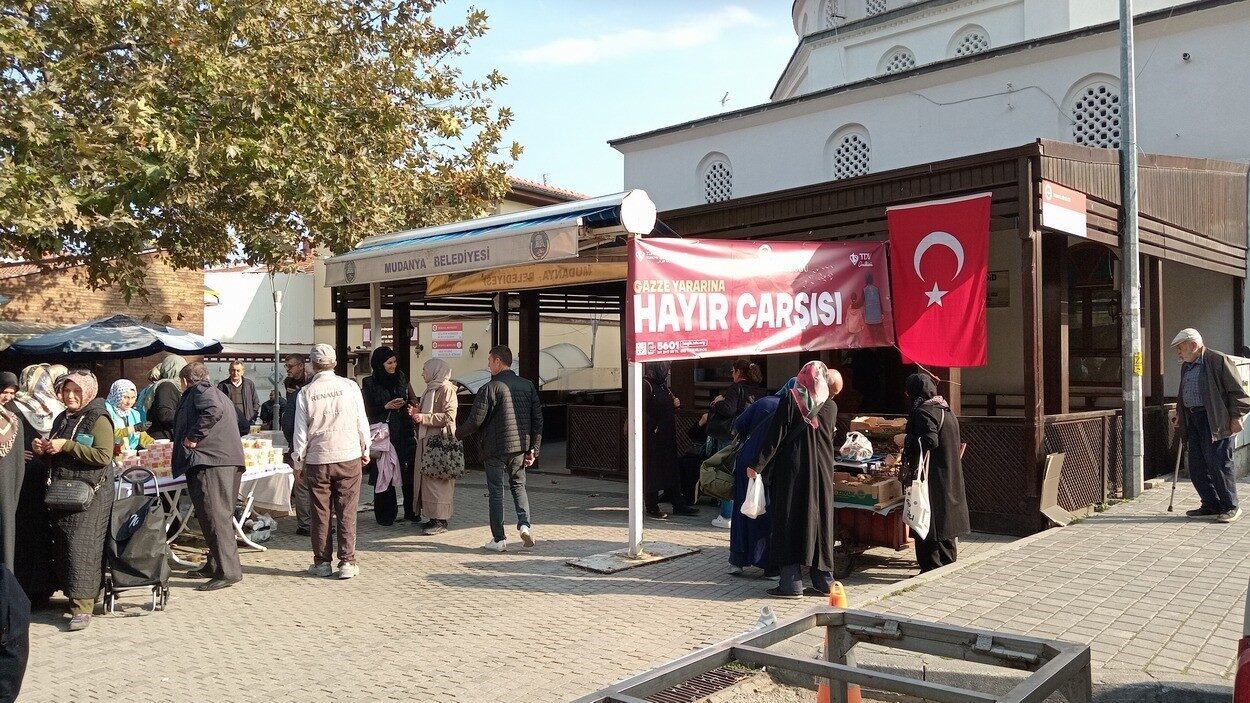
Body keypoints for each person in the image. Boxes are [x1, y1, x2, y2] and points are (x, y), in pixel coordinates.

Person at [748, 362, 842, 599]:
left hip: (793, 472)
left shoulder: (791, 400)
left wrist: (757, 465)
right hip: (821, 473)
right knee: (819, 521)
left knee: (789, 520)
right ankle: (824, 582)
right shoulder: (830, 406)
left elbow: (775, 437)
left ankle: (791, 584)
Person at [34, 370, 114, 630]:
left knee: (83, 547)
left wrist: (66, 445)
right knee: (65, 546)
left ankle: (83, 607)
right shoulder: (62, 417)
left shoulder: (98, 417)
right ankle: (74, 596)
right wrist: (45, 449)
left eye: (76, 391)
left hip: (90, 495)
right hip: (64, 494)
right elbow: (60, 448)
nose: (70, 396)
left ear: (88, 392)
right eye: (66, 391)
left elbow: (103, 456)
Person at [292, 344, 370, 579]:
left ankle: (322, 562)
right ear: (335, 363)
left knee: (320, 512)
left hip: (318, 458)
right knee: (347, 510)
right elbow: (361, 420)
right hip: (348, 455)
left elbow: (300, 433)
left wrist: (298, 462)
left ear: (312, 365)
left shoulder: (305, 392)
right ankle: (347, 561)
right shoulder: (350, 387)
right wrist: (365, 447)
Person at [457, 345, 542, 552]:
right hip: (520, 447)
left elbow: (475, 421)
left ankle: (499, 539)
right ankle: (524, 525)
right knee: (518, 486)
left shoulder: (489, 388)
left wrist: (455, 433)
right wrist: (534, 449)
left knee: (496, 492)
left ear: (497, 361)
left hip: (494, 448)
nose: (488, 365)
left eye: (489, 361)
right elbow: (537, 419)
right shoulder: (527, 386)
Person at [172, 362, 247, 592]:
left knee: (215, 516)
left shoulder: (201, 392)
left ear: (185, 381)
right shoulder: (217, 392)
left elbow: (212, 410)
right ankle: (215, 563)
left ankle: (228, 571)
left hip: (211, 462)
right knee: (215, 515)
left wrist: (193, 437)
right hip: (224, 460)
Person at [1172, 328, 1250, 523]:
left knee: (1219, 464)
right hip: (1193, 420)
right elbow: (1185, 393)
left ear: (1193, 345)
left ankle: (1231, 506)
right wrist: (1179, 413)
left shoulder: (1217, 360)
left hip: (1215, 420)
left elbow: (1239, 395)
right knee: (1197, 466)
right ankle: (1211, 503)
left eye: (1180, 348)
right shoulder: (1186, 366)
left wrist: (1234, 418)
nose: (1178, 353)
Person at [899, 373, 970, 572]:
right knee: (946, 524)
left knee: (928, 523)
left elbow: (930, 440)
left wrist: (905, 439)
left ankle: (930, 568)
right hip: (949, 474)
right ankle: (948, 566)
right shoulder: (944, 408)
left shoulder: (923, 411)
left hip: (932, 478)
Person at [728, 378, 796, 577]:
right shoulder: (793, 409)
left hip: (746, 461)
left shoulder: (763, 402)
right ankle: (768, 564)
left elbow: (738, 425)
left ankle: (737, 561)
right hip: (771, 465)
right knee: (767, 512)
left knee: (742, 508)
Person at [7, 366, 60, 606]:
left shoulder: (54, 408)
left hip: (37, 481)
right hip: (22, 482)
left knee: (35, 534)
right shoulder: (12, 407)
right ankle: (29, 590)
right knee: (27, 535)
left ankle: (38, 589)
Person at [360, 346, 418, 525]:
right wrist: (386, 406)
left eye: (394, 362)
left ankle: (412, 512)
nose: (393, 366)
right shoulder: (369, 382)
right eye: (389, 363)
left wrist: (409, 405)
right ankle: (386, 515)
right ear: (379, 364)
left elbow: (413, 398)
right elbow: (366, 408)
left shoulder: (401, 377)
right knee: (384, 472)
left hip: (404, 430)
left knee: (408, 471)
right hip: (383, 433)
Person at [706, 359, 766, 529]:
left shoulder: (736, 388)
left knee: (726, 473)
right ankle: (744, 512)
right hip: (751, 437)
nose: (732, 374)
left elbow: (728, 409)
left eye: (733, 371)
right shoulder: (758, 390)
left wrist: (717, 402)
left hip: (731, 437)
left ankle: (726, 515)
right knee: (745, 475)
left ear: (739, 372)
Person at [410, 358, 460, 535]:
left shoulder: (446, 389)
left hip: (440, 445)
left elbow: (449, 417)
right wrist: (417, 414)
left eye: (425, 369)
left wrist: (423, 417)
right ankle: (432, 518)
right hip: (427, 442)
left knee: (439, 482)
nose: (422, 373)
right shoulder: (429, 390)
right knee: (429, 482)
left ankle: (441, 520)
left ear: (435, 370)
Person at [641, 362, 697, 519]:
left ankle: (678, 504)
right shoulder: (645, 385)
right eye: (666, 369)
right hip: (653, 438)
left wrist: (675, 405)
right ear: (657, 369)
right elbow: (640, 409)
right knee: (652, 471)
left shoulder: (662, 386)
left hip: (667, 436)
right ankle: (651, 506)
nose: (669, 372)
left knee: (670, 469)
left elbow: (665, 407)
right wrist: (653, 426)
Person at [282, 354, 312, 536]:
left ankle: (308, 524)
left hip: (306, 438)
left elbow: (290, 418)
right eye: (286, 366)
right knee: (305, 484)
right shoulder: (288, 382)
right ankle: (308, 524)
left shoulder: (309, 384)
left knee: (303, 484)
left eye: (290, 366)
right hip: (303, 439)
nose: (288, 369)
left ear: (301, 366)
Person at [0, 373, 23, 573]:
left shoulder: (13, 419)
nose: (7, 397)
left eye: (11, 393)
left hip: (5, 489)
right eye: (4, 392)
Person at [145, 355, 187, 440]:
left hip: (165, 436)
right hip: (162, 439)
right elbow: (164, 415)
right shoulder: (166, 386)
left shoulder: (172, 386)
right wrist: (187, 413)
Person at [217, 361, 260, 431]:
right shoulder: (222, 385)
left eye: (238, 370)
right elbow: (218, 403)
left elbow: (256, 402)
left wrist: (252, 417)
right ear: (229, 371)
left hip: (247, 421)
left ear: (242, 372)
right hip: (229, 422)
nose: (235, 373)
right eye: (233, 370)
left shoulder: (249, 384)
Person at [104, 379, 144, 452]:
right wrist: (132, 429)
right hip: (110, 456)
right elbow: (107, 433)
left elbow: (141, 436)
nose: (129, 402)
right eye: (125, 397)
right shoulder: (106, 411)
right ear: (117, 395)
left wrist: (156, 445)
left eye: (133, 398)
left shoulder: (134, 414)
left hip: (130, 456)